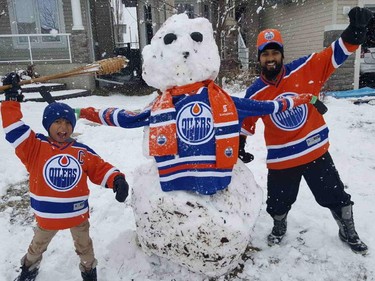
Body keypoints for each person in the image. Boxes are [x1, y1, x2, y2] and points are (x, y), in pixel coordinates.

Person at [239, 7, 373, 254]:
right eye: (265, 54)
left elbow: (335, 53)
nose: (271, 58)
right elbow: (245, 123)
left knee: (337, 197)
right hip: (282, 161)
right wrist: (239, 146)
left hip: (315, 152)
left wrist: (355, 31)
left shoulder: (306, 68)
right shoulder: (255, 93)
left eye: (275, 53)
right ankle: (279, 225)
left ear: (282, 55)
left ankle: (347, 228)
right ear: (259, 58)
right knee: (278, 204)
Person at [1, 73, 129, 281]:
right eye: (57, 122)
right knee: (37, 247)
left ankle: (89, 271)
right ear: (47, 125)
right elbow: (13, 128)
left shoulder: (81, 151)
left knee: (85, 248)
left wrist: (117, 180)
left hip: (76, 214)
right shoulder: (34, 147)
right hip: (47, 216)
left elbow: (100, 168)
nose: (63, 127)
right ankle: (29, 268)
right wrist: (12, 100)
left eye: (68, 123)